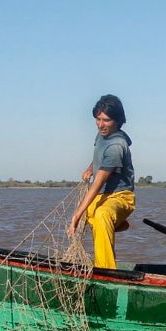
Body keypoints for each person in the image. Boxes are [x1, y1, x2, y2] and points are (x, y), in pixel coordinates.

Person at [67, 94, 135, 269]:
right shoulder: (101, 135)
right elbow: (99, 157)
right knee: (92, 211)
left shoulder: (116, 146)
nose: (100, 124)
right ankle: (117, 224)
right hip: (103, 195)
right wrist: (90, 168)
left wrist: (76, 215)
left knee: (101, 215)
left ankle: (107, 271)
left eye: (106, 120)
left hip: (120, 197)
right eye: (98, 119)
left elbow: (97, 184)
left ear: (117, 120)